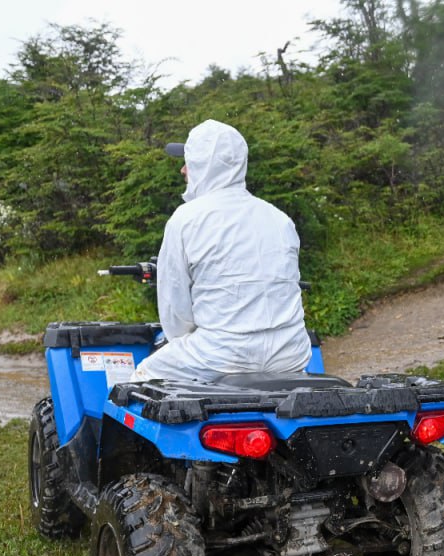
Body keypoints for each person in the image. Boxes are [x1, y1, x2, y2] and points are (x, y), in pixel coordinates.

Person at [130, 119, 311, 383]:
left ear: (202, 166)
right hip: (290, 356)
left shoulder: (186, 219)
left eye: (188, 162)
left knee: (135, 382)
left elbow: (176, 318)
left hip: (220, 357)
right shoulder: (279, 218)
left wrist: (193, 341)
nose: (182, 170)